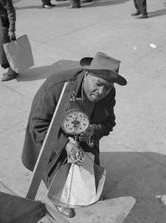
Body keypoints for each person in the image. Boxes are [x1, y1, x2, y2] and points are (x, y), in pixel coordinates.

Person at [22, 52, 127, 218]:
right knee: (55, 168)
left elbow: (109, 123)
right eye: (98, 84)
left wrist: (94, 130)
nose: (101, 92)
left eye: (107, 87)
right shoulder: (56, 86)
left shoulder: (108, 92)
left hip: (84, 135)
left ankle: (86, 188)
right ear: (87, 74)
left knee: (87, 166)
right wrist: (66, 144)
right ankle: (60, 200)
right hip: (55, 136)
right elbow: (39, 125)